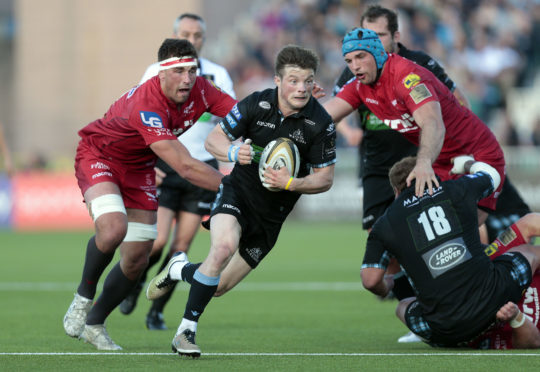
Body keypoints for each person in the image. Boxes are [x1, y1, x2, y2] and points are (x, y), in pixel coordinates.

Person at [146, 45, 336, 357]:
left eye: (307, 81)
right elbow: (213, 140)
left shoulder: (320, 122)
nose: (301, 88)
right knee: (221, 249)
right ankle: (185, 333)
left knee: (217, 286)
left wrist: (291, 182)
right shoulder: (256, 104)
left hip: (271, 217)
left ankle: (179, 269)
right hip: (237, 193)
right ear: (277, 80)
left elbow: (325, 179)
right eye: (293, 80)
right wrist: (233, 152)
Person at [62, 38, 237, 350]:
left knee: (137, 258)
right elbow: (185, 166)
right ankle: (82, 298)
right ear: (161, 74)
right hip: (100, 157)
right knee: (114, 229)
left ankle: (94, 323)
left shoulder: (202, 90)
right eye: (180, 71)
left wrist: (283, 116)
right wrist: (237, 187)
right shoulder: (148, 104)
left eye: (192, 70)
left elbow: (243, 114)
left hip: (141, 166)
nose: (188, 78)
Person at [118, 13, 237, 332]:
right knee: (155, 243)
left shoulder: (217, 75)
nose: (193, 40)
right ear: (175, 35)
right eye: (186, 34)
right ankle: (134, 281)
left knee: (179, 249)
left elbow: (233, 116)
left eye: (197, 35)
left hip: (202, 168)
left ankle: (156, 309)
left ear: (204, 39)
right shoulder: (157, 72)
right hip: (166, 164)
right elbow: (138, 117)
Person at [324, 27, 506, 228]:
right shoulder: (360, 86)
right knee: (429, 238)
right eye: (349, 61)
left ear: (376, 53)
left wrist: (424, 163)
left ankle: (516, 256)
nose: (355, 66)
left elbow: (432, 123)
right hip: (441, 162)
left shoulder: (406, 76)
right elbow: (323, 119)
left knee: (457, 234)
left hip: (476, 155)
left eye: (360, 57)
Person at [361, 155, 538, 346]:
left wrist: (386, 286)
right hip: (495, 296)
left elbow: (370, 280)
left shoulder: (384, 224)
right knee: (530, 252)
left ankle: (444, 338)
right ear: (432, 176)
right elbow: (492, 175)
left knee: (402, 307)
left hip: (447, 330)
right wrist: (467, 164)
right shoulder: (456, 189)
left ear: (396, 191)